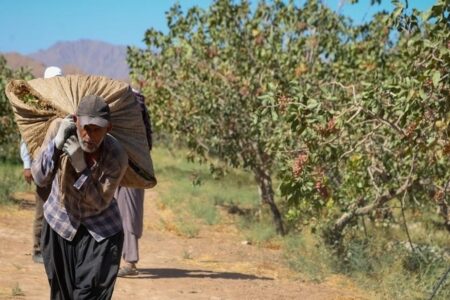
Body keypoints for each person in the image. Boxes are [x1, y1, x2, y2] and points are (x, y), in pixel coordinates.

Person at [31, 95, 128, 299]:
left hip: (100, 231)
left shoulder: (116, 155)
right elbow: (39, 178)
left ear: (108, 128)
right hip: (60, 224)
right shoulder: (59, 128)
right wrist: (56, 145)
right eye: (85, 127)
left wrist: (81, 167)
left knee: (90, 295)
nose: (89, 136)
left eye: (96, 130)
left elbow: (101, 202)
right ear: (76, 121)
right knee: (62, 294)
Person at [20, 66, 63, 264]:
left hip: (62, 169)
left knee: (61, 208)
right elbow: (26, 138)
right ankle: (38, 248)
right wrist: (28, 165)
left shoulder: (65, 104)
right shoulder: (38, 107)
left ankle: (54, 249)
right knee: (42, 208)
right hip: (42, 165)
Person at [117, 89, 152, 277]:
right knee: (123, 212)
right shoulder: (137, 125)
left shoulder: (133, 126)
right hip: (125, 170)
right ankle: (123, 258)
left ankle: (130, 261)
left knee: (129, 214)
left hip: (132, 171)